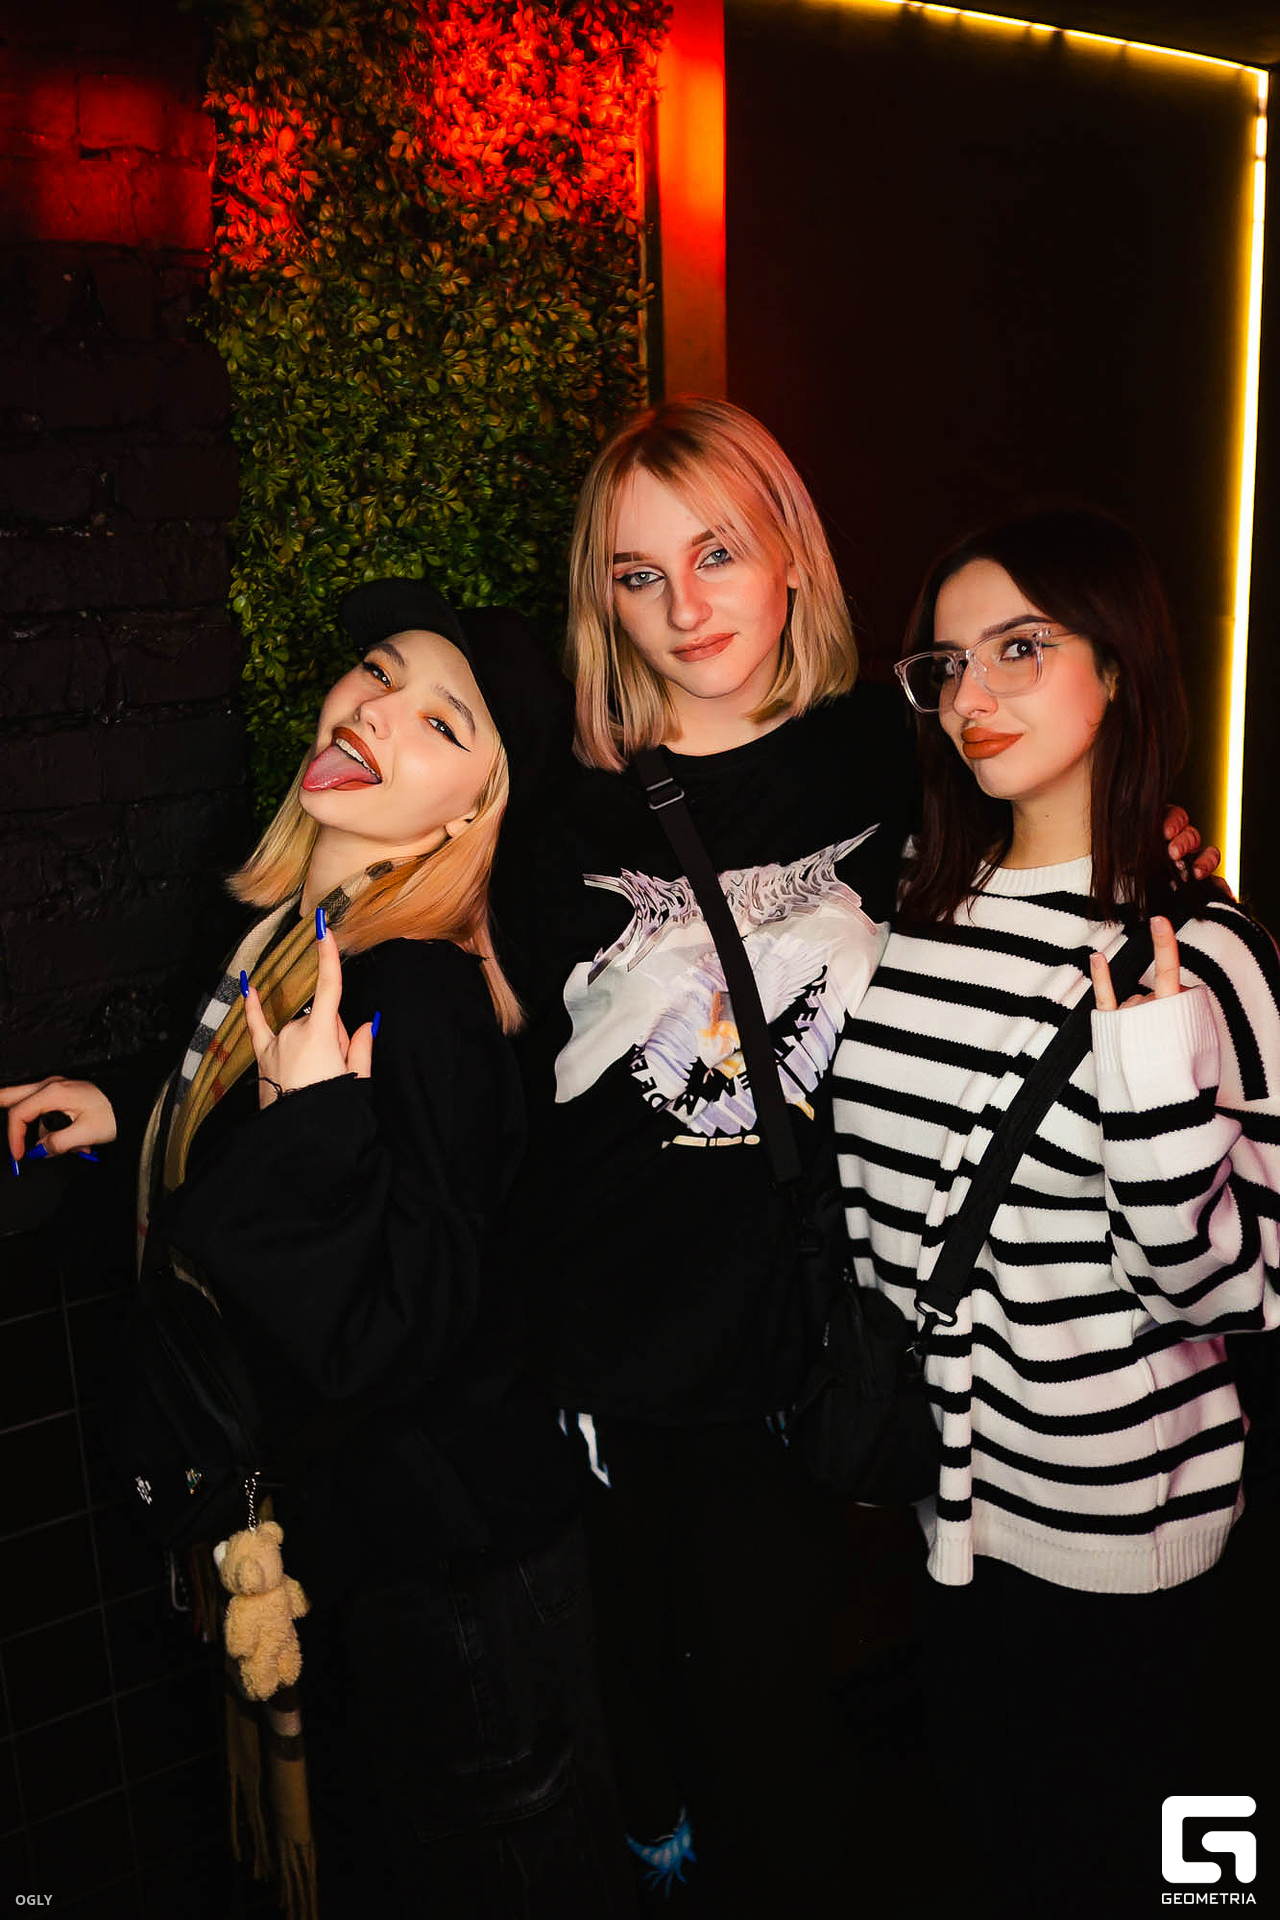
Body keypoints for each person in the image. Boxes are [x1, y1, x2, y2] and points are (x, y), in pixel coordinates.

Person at [490, 403, 1211, 1912]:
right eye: (638, 575)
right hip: (607, 1349)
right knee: (642, 1730)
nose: (685, 607)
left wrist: (1164, 859)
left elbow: (1046, 855)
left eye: (718, 554)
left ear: (790, 562)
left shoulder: (895, 754)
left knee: (778, 1736)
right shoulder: (559, 812)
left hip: (805, 1342)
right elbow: (449, 1002)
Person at [3, 581, 635, 1920]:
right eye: (378, 672)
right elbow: (259, 1115)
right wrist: (132, 1103)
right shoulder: (295, 941)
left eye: (443, 721)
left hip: (457, 1586)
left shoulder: (423, 990)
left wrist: (315, 1124)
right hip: (383, 1561)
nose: (376, 709)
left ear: (470, 813)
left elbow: (398, 1331)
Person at [833, 508, 1280, 1917]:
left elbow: (1236, 1294)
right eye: (947, 664)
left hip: (1128, 1546)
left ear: (1120, 664)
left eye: (1021, 648)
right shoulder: (919, 910)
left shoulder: (1206, 956)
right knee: (994, 1856)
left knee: (1168, 1882)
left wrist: (1148, 1087)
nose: (974, 693)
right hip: (948, 1526)